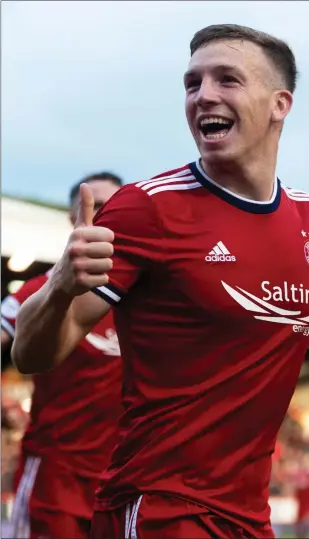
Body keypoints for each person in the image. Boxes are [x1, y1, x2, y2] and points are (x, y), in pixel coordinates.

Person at [12, 24, 309, 539]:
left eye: (227, 80)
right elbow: (32, 356)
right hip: (158, 507)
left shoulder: (305, 221)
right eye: (192, 83)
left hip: (247, 515)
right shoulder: (147, 208)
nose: (204, 95)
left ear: (280, 103)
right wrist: (60, 281)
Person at [1, 172, 124, 539]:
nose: (105, 214)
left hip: (123, 478)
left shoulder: (143, 296)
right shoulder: (44, 290)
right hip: (57, 476)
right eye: (95, 206)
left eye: (114, 206)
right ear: (74, 219)